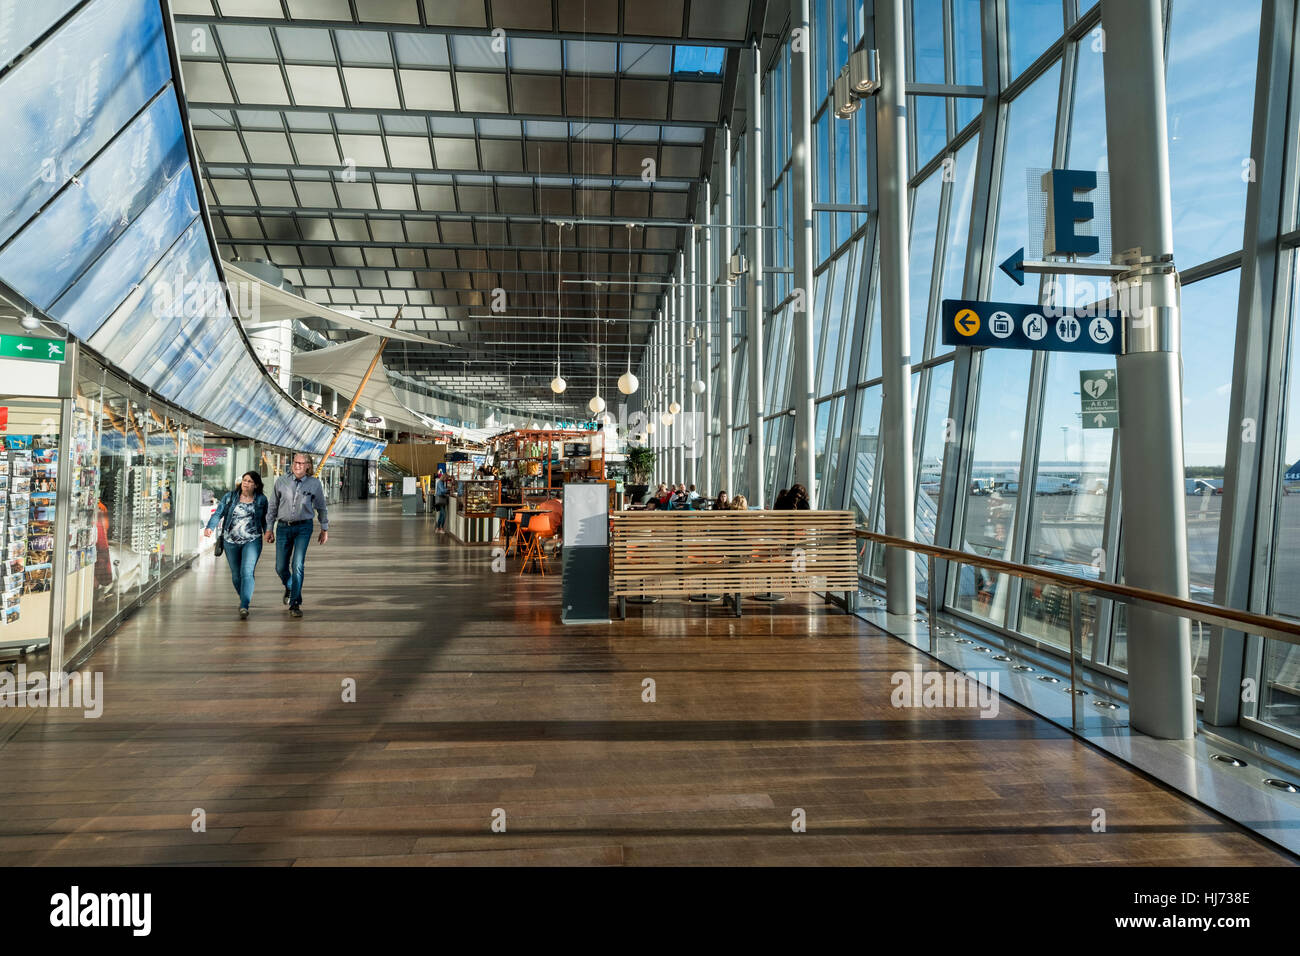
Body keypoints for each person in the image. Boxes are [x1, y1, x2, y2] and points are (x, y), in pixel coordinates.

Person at [265, 453, 329, 619]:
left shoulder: (314, 484)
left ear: (308, 465)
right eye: (295, 462)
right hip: (283, 528)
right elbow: (272, 506)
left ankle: (295, 603)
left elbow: (321, 507)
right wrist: (269, 528)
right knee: (280, 567)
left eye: (301, 463)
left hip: (303, 528)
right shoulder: (281, 481)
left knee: (298, 564)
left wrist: (324, 528)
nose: (297, 466)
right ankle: (290, 586)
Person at [206, 471, 269, 619]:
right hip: (230, 541)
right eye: (245, 480)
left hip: (252, 540)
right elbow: (218, 514)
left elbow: (266, 519)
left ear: (256, 485)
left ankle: (244, 605)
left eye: (250, 481)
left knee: (247, 572)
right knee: (236, 576)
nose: (246, 483)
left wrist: (268, 532)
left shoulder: (261, 500)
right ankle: (244, 598)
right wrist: (210, 527)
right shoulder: (230, 497)